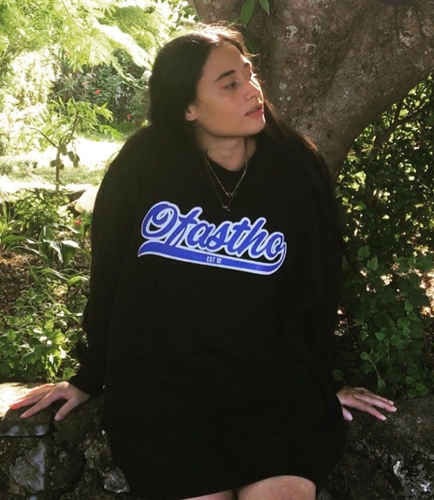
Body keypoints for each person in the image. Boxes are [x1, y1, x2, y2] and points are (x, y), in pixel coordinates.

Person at [10, 24, 397, 500]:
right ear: (187, 107)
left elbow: (316, 285)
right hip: (163, 390)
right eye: (230, 84)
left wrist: (320, 383)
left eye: (249, 74)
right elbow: (108, 276)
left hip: (271, 388)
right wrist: (89, 375)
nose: (252, 90)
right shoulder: (142, 165)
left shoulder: (295, 166)